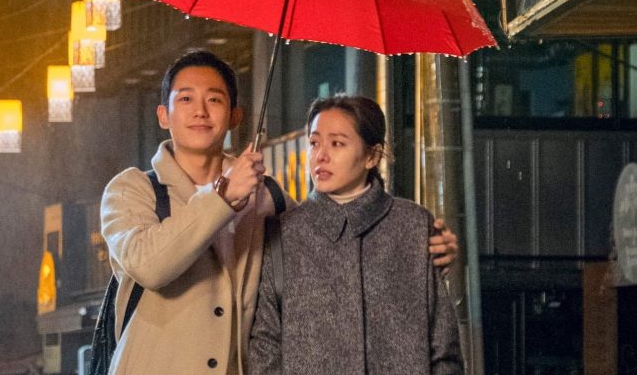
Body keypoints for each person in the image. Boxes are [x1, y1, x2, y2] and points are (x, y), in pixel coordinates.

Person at [100, 51, 459, 375]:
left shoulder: (267, 195)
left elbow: (329, 240)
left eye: (214, 99)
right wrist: (222, 197)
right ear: (163, 115)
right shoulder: (133, 189)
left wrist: (422, 250)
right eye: (185, 98)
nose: (200, 111)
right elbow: (149, 266)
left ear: (235, 116)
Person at [248, 95, 463, 374]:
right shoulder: (284, 233)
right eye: (314, 143)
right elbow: (265, 346)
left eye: (337, 143)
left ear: (372, 156)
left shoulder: (414, 226)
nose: (321, 155)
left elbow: (444, 347)